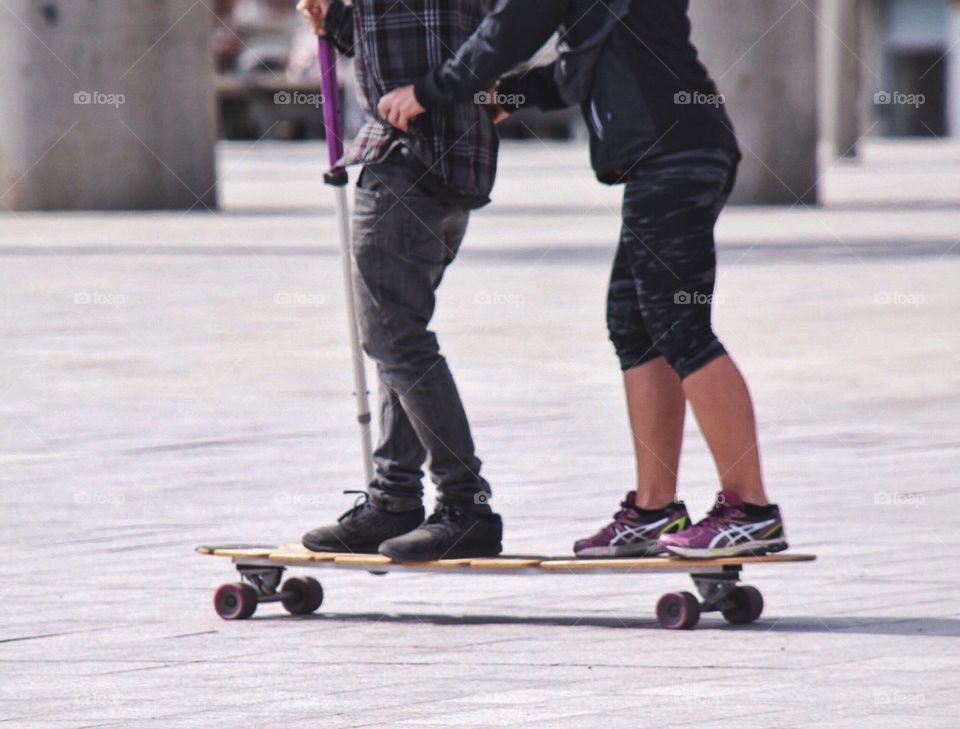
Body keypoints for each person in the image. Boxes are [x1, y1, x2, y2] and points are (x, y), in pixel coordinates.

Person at [378, 0, 788, 559]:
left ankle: (752, 511)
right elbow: (580, 70)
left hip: (674, 154)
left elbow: (508, 31)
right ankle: (653, 509)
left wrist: (428, 91)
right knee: (634, 326)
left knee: (681, 327)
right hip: (670, 153)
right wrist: (508, 96)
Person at [295, 0, 503, 561]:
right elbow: (407, 41)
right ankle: (395, 498)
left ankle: (464, 505)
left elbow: (418, 41)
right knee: (397, 334)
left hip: (409, 158)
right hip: (447, 162)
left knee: (395, 338)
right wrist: (338, 20)